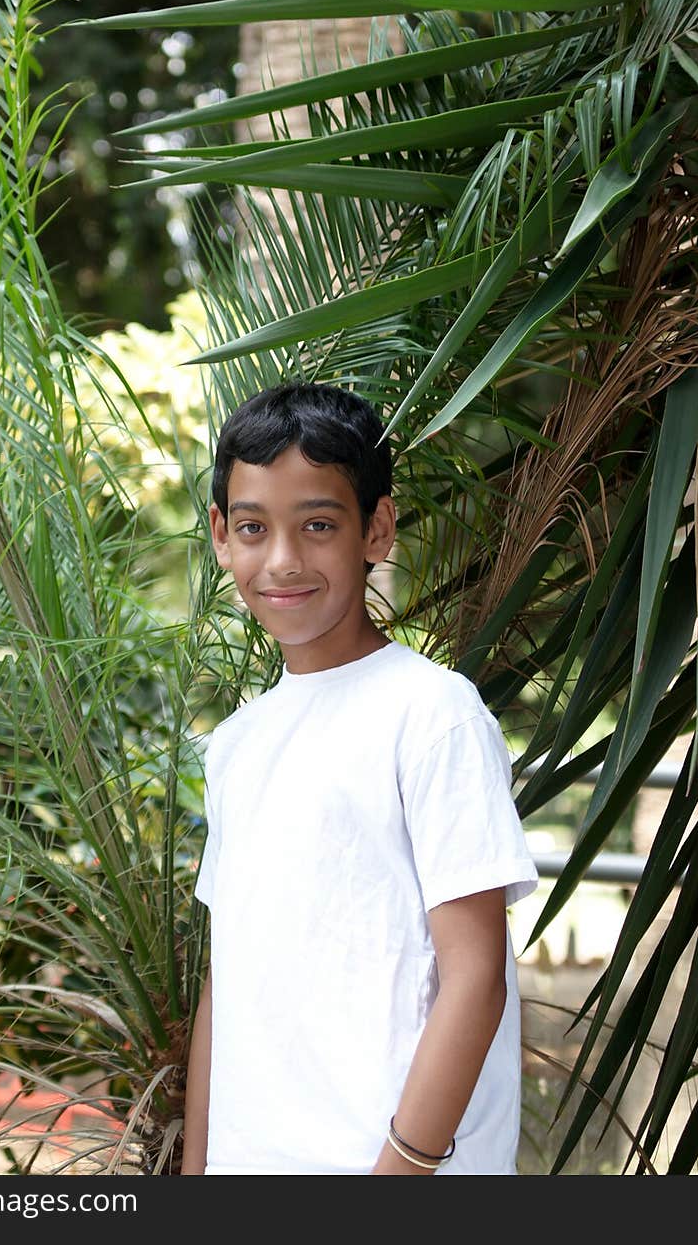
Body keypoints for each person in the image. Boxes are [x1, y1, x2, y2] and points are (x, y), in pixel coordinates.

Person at [181, 381, 538, 1176]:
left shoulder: (433, 713)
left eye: (317, 525)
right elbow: (225, 985)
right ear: (220, 536)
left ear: (376, 528)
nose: (282, 560)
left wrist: (395, 1176)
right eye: (252, 527)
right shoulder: (236, 746)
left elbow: (474, 975)